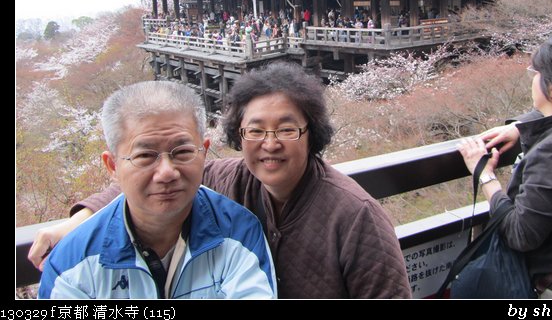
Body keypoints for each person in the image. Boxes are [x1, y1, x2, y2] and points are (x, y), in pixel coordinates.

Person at [30, 63, 411, 299]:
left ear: (313, 134)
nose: (270, 144)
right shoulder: (232, 177)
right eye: (255, 131)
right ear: (237, 136)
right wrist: (80, 219)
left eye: (287, 129)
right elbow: (155, 180)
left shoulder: (355, 215)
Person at [37, 81, 276, 299]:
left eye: (182, 152)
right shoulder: (73, 263)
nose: (167, 172)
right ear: (113, 165)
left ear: (203, 152)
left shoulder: (239, 233)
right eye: (145, 156)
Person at [458, 35, 552, 299]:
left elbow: (521, 234)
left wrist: (485, 177)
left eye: (536, 73)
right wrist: (520, 127)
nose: (532, 79)